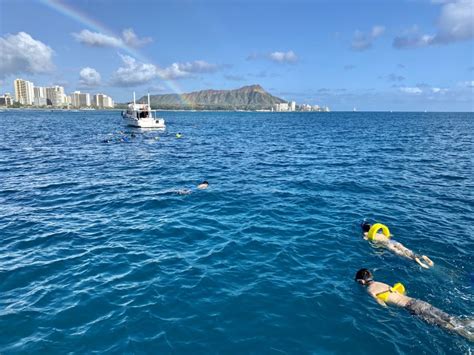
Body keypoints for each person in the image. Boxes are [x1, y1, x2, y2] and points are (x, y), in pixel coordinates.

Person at [355, 269, 473, 341]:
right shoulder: (382, 283)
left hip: (412, 308)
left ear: (362, 281)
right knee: (451, 318)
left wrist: (388, 313)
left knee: (448, 326)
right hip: (417, 301)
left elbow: (380, 302)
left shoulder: (370, 290)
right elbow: (401, 292)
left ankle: (470, 337)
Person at [361, 222, 434, 269]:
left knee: (400, 254)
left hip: (387, 244)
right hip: (393, 241)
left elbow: (366, 239)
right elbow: (389, 235)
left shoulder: (366, 234)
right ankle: (421, 257)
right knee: (405, 249)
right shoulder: (379, 232)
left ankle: (416, 261)